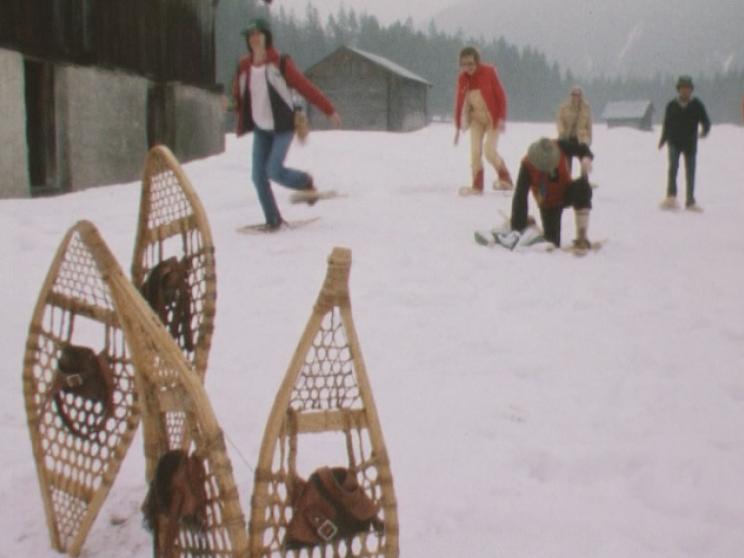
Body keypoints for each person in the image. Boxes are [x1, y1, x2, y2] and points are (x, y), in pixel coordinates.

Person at [232, 18, 342, 230]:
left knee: (272, 170)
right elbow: (240, 94)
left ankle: (305, 182)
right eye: (250, 35)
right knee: (258, 177)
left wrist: (329, 110)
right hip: (261, 130)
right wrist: (233, 107)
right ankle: (272, 220)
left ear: (266, 36)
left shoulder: (279, 62)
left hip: (282, 127)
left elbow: (304, 86)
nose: (254, 38)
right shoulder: (244, 66)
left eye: (258, 34)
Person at [502, 138, 594, 249]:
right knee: (552, 243)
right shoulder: (526, 165)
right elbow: (520, 196)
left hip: (566, 191)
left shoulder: (560, 145)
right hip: (549, 205)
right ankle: (529, 225)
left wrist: (586, 158)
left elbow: (581, 149)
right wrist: (517, 225)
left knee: (583, 188)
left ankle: (582, 237)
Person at [453, 46, 513, 195]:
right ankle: (477, 186)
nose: (468, 68)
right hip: (476, 119)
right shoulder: (462, 79)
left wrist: (501, 118)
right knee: (475, 152)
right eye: (464, 64)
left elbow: (501, 96)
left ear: (477, 62)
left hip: (492, 118)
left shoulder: (489, 72)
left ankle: (505, 178)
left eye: (471, 64)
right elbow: (459, 101)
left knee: (489, 151)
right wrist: (457, 124)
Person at [658, 75, 711, 211]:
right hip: (674, 141)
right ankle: (671, 197)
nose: (685, 91)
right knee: (673, 168)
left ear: (691, 90)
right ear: (678, 89)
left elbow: (706, 121)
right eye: (682, 88)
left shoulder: (697, 105)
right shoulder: (671, 105)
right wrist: (663, 140)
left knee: (690, 172)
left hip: (690, 143)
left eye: (687, 88)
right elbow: (667, 124)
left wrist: (704, 131)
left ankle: (690, 201)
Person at [556, 86, 593, 172]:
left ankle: (584, 180)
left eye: (578, 94)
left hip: (581, 138)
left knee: (584, 160)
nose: (576, 97)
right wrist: (562, 132)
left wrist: (589, 139)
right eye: (574, 94)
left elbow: (589, 125)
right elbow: (559, 120)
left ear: (581, 95)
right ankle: (568, 180)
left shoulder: (586, 108)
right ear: (571, 95)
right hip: (567, 138)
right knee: (567, 162)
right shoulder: (564, 107)